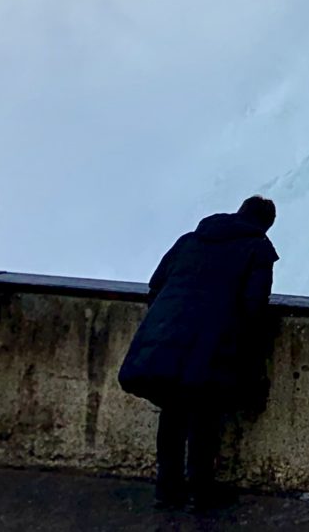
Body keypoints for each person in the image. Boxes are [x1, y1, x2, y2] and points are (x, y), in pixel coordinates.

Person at [118, 197, 279, 510]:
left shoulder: (190, 240)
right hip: (210, 345)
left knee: (173, 412)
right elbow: (253, 305)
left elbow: (156, 286)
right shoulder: (257, 248)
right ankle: (200, 492)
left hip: (165, 336)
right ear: (266, 223)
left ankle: (167, 489)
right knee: (204, 415)